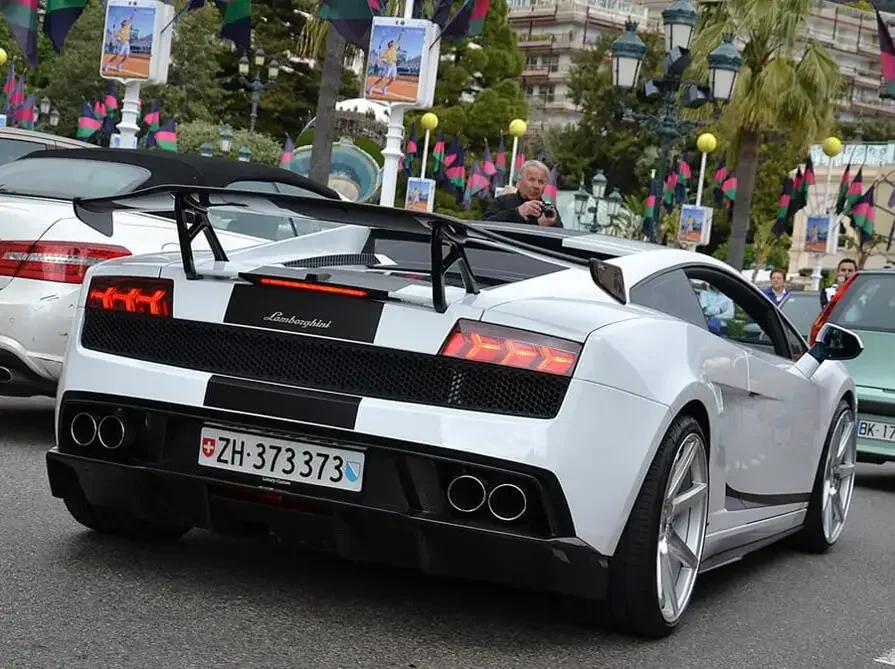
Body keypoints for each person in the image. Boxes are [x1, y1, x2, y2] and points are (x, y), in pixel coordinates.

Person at [482, 160, 563, 227]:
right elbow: (484, 225)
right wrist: (518, 212)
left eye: (541, 182)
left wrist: (546, 226)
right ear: (519, 182)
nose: (536, 186)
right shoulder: (502, 202)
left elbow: (560, 238)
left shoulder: (549, 211)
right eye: (531, 180)